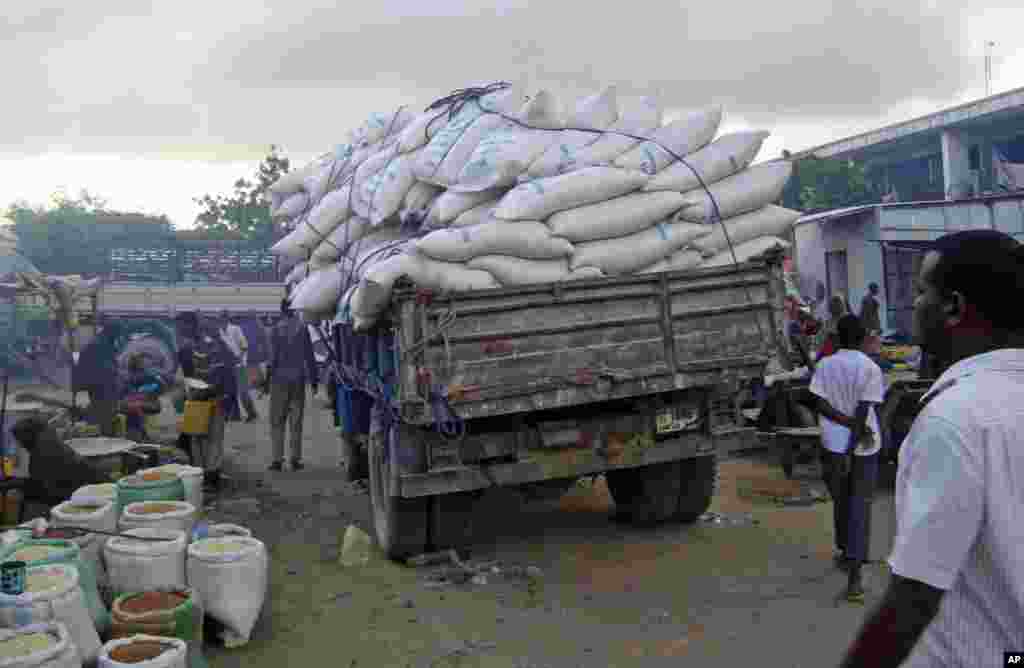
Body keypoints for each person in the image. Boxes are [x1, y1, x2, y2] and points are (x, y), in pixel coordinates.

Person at [840, 230, 1024, 667]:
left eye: (922, 291)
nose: (913, 305)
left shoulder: (954, 419)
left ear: (954, 307)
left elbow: (912, 600)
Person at [809, 314, 885, 603]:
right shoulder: (870, 368)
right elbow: (864, 411)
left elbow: (820, 403)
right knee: (859, 507)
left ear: (838, 338)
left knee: (842, 502)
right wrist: (854, 436)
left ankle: (846, 554)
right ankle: (854, 578)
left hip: (833, 446)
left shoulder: (825, 365)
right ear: (863, 338)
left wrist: (844, 426)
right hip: (863, 447)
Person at [266, 298, 318, 472]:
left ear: (281, 311)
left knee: (277, 420)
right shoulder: (302, 329)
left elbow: (272, 359)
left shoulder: (275, 330)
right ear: (294, 310)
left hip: (279, 380)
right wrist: (314, 381)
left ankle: (277, 459)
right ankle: (295, 459)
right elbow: (310, 357)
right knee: (296, 420)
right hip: (298, 379)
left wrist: (266, 380)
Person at [72, 321, 126, 436]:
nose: (119, 337)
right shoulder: (100, 344)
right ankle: (104, 437)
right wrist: (117, 377)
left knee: (103, 414)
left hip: (99, 387)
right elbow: (105, 370)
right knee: (104, 416)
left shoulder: (102, 341)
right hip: (101, 388)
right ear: (113, 332)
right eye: (118, 334)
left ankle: (103, 434)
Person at [220, 310, 259, 423]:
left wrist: (240, 360)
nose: (222, 319)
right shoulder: (219, 332)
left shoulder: (235, 329)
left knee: (243, 392)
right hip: (227, 366)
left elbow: (244, 345)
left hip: (239, 365)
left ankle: (252, 413)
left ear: (227, 318)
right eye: (221, 318)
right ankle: (233, 415)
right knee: (229, 392)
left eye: (224, 317)